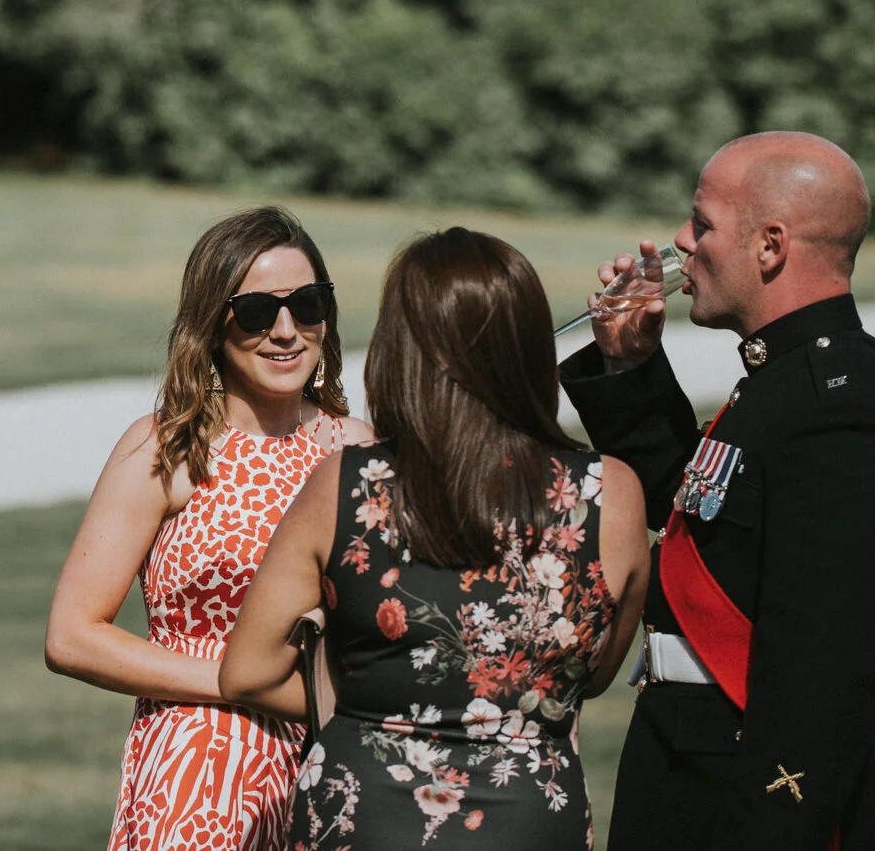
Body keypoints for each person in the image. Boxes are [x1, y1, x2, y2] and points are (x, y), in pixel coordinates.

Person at [559, 132, 875, 851]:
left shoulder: (845, 401)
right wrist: (628, 364)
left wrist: (774, 822)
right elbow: (696, 516)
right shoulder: (781, 383)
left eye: (702, 222)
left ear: (770, 245)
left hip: (754, 794)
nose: (681, 239)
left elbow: (826, 663)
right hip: (685, 764)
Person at [221, 228, 649, 850]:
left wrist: (378, 702)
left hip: (366, 814)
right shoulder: (612, 492)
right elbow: (597, 669)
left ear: (403, 353)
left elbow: (248, 672)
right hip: (528, 816)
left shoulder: (346, 483)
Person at [46, 206, 369, 851]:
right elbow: (72, 635)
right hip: (201, 770)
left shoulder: (356, 449)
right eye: (256, 312)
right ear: (213, 325)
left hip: (333, 772)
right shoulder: (167, 448)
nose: (286, 330)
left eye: (307, 305)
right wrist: (244, 685)